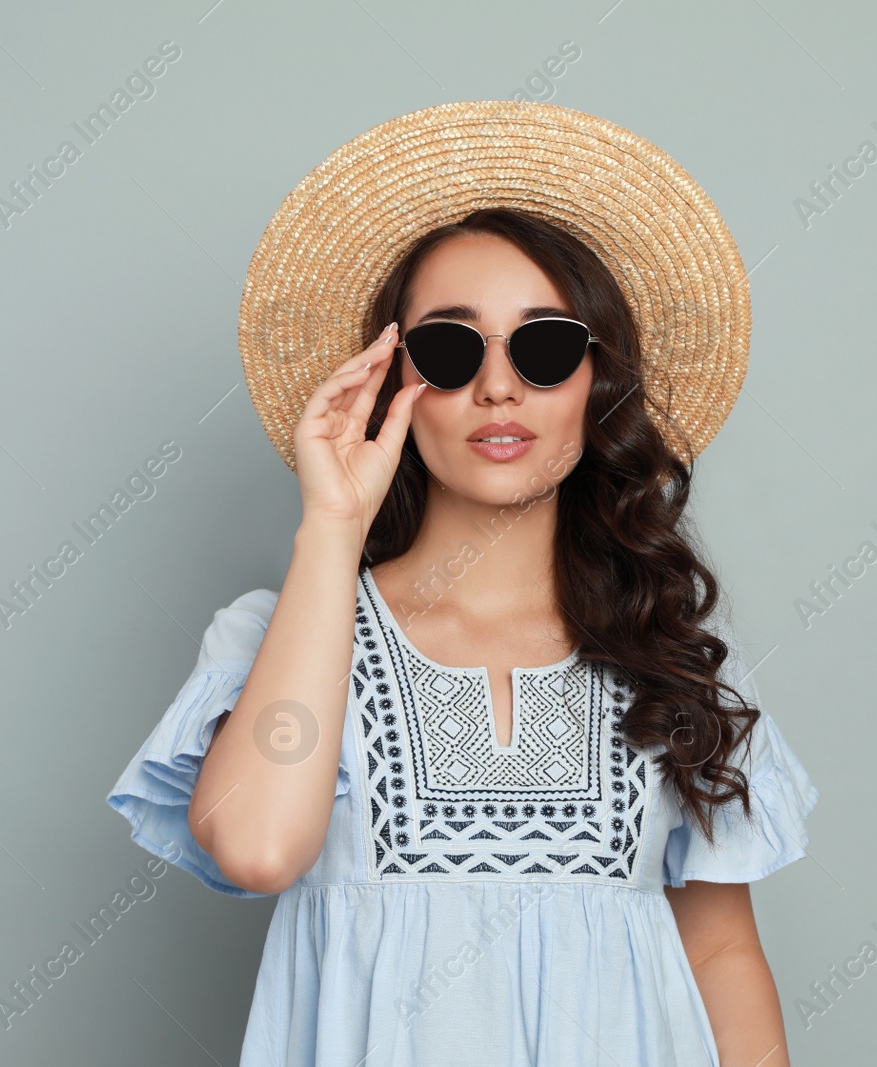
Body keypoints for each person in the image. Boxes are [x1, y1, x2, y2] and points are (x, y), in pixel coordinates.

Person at [108, 100, 819, 1067]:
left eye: (546, 346)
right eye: (449, 349)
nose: (499, 387)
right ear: (391, 379)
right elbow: (258, 849)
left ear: (595, 382)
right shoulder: (282, 637)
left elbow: (723, 949)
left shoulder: (673, 648)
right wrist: (331, 527)